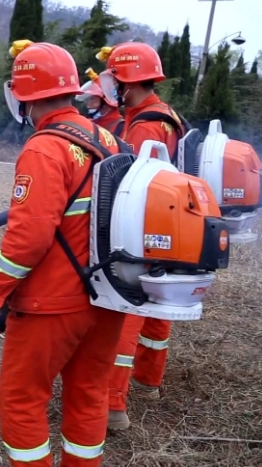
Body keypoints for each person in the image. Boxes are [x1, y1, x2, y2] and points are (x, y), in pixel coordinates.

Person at [0, 39, 126, 466]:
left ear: (24, 96)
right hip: (107, 296)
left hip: (53, 303)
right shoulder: (107, 139)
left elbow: (29, 238)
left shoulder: (44, 147)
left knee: (21, 400)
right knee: (89, 394)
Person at [96, 41, 186, 431]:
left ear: (128, 82)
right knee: (154, 314)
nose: (111, 86)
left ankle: (113, 408)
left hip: (141, 227)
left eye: (114, 78)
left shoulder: (146, 123)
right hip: (164, 226)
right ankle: (148, 382)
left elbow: (129, 180)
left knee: (126, 313)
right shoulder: (163, 114)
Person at [75, 68, 123, 135]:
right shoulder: (88, 127)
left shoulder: (122, 129)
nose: (88, 105)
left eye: (93, 100)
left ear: (107, 103)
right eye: (89, 100)